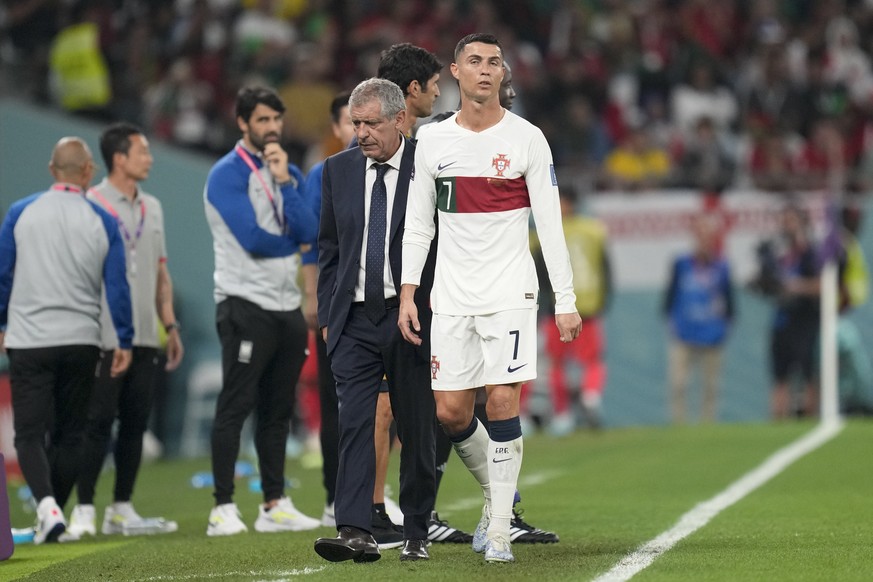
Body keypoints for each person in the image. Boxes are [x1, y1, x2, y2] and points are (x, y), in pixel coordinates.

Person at [399, 33, 582, 564]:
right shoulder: (432, 142)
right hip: (451, 295)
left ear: (504, 74)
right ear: (455, 71)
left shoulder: (527, 139)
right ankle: (494, 499)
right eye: (474, 61)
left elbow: (550, 225)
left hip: (510, 291)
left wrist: (564, 299)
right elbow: (417, 225)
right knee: (452, 413)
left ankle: (499, 529)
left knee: (502, 401)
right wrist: (410, 290)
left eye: (494, 62)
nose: (484, 70)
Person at [314, 77, 437, 563]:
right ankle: (354, 529)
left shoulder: (426, 167)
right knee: (355, 423)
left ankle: (416, 529)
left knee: (415, 425)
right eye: (356, 122)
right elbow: (328, 247)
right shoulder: (336, 170)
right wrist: (328, 316)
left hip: (411, 316)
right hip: (354, 321)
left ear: (399, 120)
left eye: (371, 123)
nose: (360, 132)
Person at [0, 137, 133, 544]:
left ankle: (46, 507)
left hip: (30, 339)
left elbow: (3, 275)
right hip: (82, 340)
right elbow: (117, 287)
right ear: (89, 171)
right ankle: (53, 514)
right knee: (70, 434)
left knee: (28, 433)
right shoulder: (104, 218)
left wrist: (2, 321)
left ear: (51, 168)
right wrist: (123, 339)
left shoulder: (20, 213)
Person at [203, 85, 320, 536]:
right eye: (263, 121)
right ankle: (222, 507)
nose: (272, 129)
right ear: (243, 123)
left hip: (285, 304)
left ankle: (274, 503)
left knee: (277, 410)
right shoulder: (226, 174)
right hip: (243, 302)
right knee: (236, 404)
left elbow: (312, 226)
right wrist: (299, 241)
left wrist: (288, 184)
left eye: (276, 120)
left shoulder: (285, 169)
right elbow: (252, 239)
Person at [63, 123, 183, 538]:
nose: (149, 158)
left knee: (135, 423)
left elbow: (160, 274)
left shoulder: (153, 206)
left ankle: (121, 507)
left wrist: (170, 324)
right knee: (95, 423)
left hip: (147, 336)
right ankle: (82, 508)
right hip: (103, 339)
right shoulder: (89, 203)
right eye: (143, 151)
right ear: (119, 158)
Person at [300, 91, 354, 531]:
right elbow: (312, 243)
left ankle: (370, 494)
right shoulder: (324, 174)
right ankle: (333, 496)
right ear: (337, 129)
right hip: (336, 305)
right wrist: (314, 299)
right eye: (352, 122)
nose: (360, 130)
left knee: (381, 408)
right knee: (337, 405)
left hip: (377, 303)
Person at [533, 187, 612, 433]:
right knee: (591, 361)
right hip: (587, 307)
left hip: (558, 309)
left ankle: (563, 415)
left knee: (557, 364)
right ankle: (590, 396)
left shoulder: (545, 232)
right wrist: (603, 301)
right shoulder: (595, 230)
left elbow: (538, 272)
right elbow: (606, 269)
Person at [663, 213, 734, 424]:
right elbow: (670, 295)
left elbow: (729, 300)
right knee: (678, 383)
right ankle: (679, 423)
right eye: (700, 235)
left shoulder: (722, 267)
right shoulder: (681, 264)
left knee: (711, 385)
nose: (704, 240)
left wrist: (725, 326)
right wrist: (672, 321)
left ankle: (708, 424)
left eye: (708, 235)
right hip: (684, 332)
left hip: (712, 333)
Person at [751, 204, 821, 419]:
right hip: (782, 320)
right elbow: (769, 285)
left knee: (808, 373)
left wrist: (795, 285)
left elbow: (821, 286)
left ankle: (810, 421)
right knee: (780, 375)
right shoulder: (778, 254)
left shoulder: (812, 253)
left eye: (791, 220)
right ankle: (778, 420)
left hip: (805, 320)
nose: (786, 225)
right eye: (784, 221)